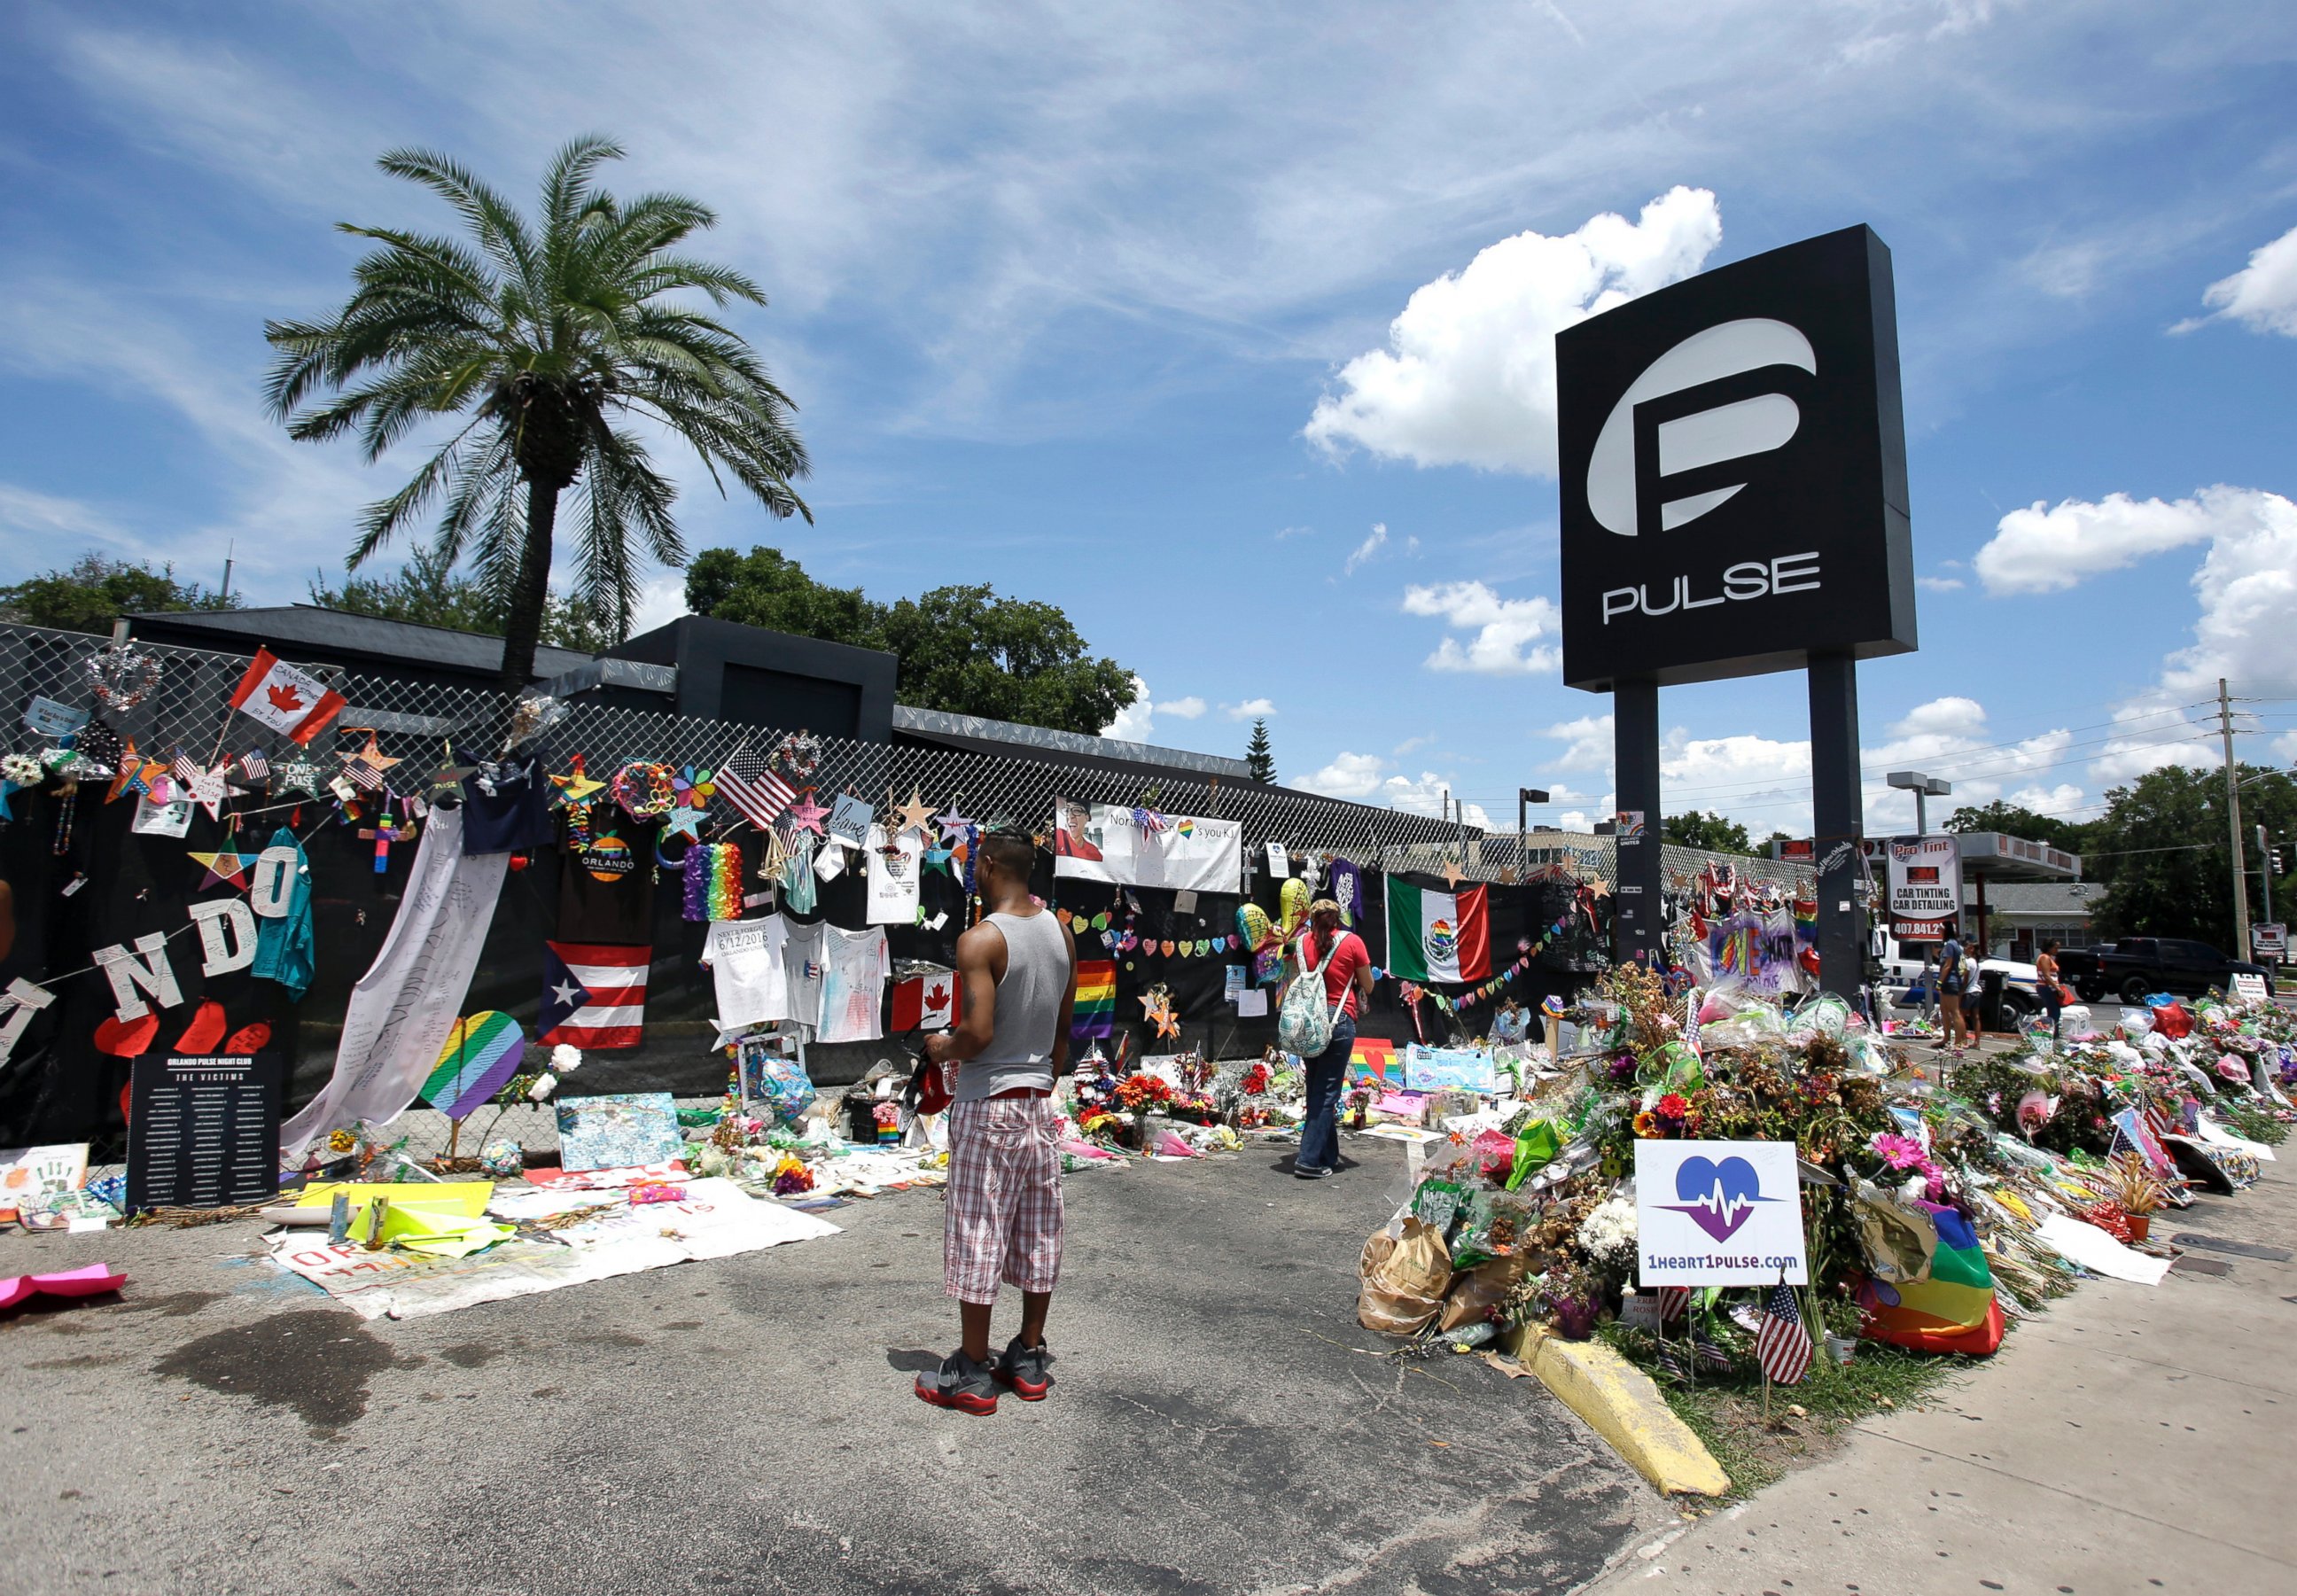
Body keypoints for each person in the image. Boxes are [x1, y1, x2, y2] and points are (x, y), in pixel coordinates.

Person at [914, 829, 1078, 1417]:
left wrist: (940, 1045)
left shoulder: (980, 939)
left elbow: (978, 1035)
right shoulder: (1060, 932)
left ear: (986, 866)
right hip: (1039, 1103)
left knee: (979, 1227)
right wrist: (1043, 1079)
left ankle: (972, 1367)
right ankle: (1029, 1354)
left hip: (989, 1107)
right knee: (1038, 1226)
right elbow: (1063, 1033)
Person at [1287, 897, 1375, 1180]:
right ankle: (1309, 1160)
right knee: (1327, 1093)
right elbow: (1368, 985)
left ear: (1312, 920)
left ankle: (1328, 1155)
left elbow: (1298, 979)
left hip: (1308, 1022)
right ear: (1337, 918)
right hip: (1339, 1020)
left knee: (1316, 1088)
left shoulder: (1301, 943)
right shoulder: (1352, 942)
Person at [1936, 929, 1968, 1051]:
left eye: (1941, 930)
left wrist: (1940, 982)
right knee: (1944, 1011)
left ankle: (1959, 1042)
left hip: (1949, 981)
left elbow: (1948, 965)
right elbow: (1963, 967)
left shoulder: (1950, 945)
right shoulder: (1957, 946)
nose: (1939, 932)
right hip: (1952, 981)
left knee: (1955, 1012)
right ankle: (1946, 1038)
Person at [2036, 939, 2065, 1040]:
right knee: (2054, 1013)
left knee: (2055, 1012)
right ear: (2049, 947)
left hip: (2049, 987)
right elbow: (2046, 976)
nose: (2057, 950)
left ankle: (2051, 1034)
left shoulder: (2049, 958)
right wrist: (2058, 989)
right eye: (2055, 948)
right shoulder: (2044, 957)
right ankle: (2049, 1035)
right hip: (2046, 987)